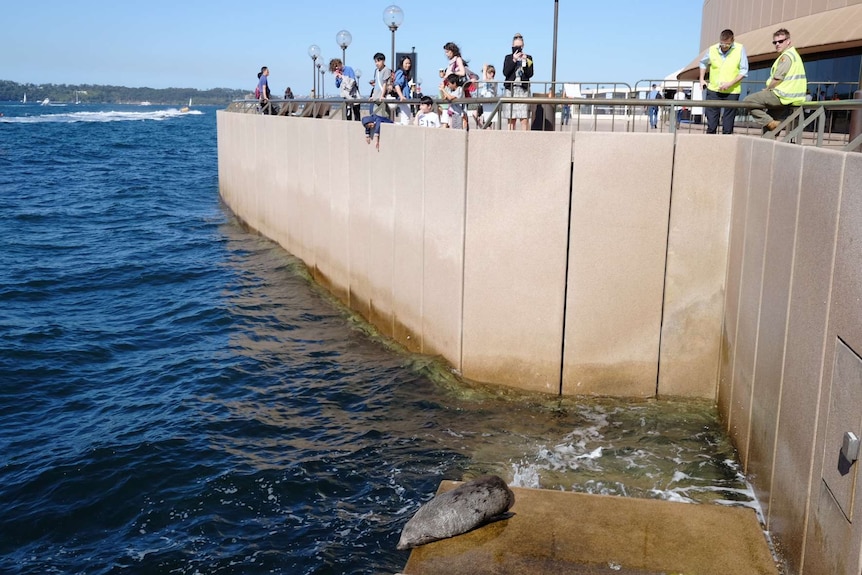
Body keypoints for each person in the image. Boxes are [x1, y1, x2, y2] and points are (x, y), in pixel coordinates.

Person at [743, 28, 807, 132]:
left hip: (782, 95)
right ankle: (771, 129)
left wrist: (767, 89)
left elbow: (777, 78)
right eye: (775, 42)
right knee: (769, 128)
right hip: (792, 97)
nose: (777, 44)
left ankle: (770, 123)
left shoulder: (786, 57)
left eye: (780, 41)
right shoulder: (794, 55)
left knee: (748, 101)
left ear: (788, 41)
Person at [698, 29, 749, 134]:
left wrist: (730, 84)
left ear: (733, 41)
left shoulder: (740, 49)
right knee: (711, 124)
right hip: (713, 90)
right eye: (722, 44)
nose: (724, 46)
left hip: (732, 91)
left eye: (727, 44)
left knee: (728, 125)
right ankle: (710, 146)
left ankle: (726, 147)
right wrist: (701, 79)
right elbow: (703, 63)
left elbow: (744, 71)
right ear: (719, 40)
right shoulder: (712, 49)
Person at [502, 33, 534, 131]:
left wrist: (524, 62)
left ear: (523, 46)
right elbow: (505, 72)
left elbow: (530, 74)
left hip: (523, 89)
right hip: (511, 89)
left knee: (524, 119)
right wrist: (514, 60)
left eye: (520, 46)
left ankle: (524, 140)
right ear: (512, 46)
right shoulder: (508, 58)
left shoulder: (528, 58)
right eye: (516, 46)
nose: (518, 48)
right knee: (511, 119)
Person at [369, 52, 393, 117]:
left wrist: (382, 95)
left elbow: (385, 83)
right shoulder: (376, 71)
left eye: (379, 61)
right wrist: (373, 95)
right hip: (376, 97)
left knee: (384, 116)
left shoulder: (386, 70)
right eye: (375, 61)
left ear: (383, 61)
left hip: (382, 97)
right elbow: (376, 84)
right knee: (375, 115)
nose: (377, 63)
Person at [393, 55, 414, 126]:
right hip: (404, 98)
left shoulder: (402, 73)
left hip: (404, 98)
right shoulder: (401, 72)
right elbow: (397, 84)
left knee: (405, 118)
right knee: (406, 119)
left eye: (409, 63)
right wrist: (401, 96)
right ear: (402, 63)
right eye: (406, 63)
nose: (408, 65)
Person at [475, 64, 497, 129]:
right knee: (475, 114)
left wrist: (484, 70)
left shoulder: (494, 81)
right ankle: (483, 127)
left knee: (488, 122)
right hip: (483, 102)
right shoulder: (485, 82)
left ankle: (486, 129)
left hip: (490, 103)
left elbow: (485, 80)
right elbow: (478, 86)